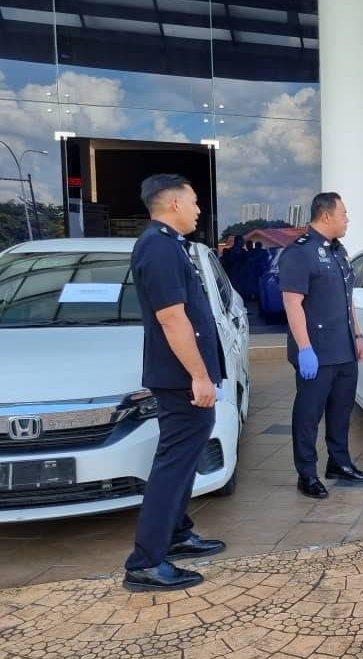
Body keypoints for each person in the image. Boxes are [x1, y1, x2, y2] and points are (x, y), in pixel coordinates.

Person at [123, 174, 226, 592]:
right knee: (173, 465)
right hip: (182, 380)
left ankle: (178, 534)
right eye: (195, 201)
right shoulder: (159, 247)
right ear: (174, 205)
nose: (199, 209)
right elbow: (172, 318)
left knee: (185, 458)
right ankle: (145, 562)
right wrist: (199, 376)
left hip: (182, 378)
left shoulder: (167, 244)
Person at [279, 192, 363, 499]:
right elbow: (292, 305)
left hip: (343, 348)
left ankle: (339, 463)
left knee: (341, 411)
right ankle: (306, 474)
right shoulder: (299, 253)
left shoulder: (338, 251)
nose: (347, 219)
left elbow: (348, 302)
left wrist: (357, 336)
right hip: (317, 352)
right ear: (326, 215)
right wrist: (304, 350)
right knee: (308, 415)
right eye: (343, 213)